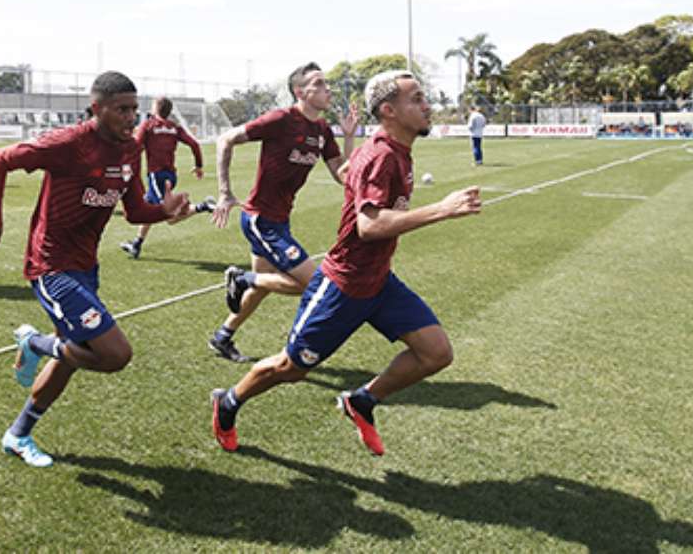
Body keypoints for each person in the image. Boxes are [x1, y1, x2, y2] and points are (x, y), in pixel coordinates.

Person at [210, 70, 481, 456]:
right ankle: (229, 401)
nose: (427, 105)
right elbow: (370, 226)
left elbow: (346, 174)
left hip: (379, 283)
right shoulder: (381, 155)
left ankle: (362, 401)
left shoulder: (396, 150)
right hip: (342, 286)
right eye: (416, 98)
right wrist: (442, 209)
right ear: (388, 110)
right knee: (290, 368)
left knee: (436, 353)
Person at [0, 71, 191, 468]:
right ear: (97, 109)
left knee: (72, 356)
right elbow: (0, 161)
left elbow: (135, 210)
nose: (130, 118)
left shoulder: (129, 151)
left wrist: (165, 211)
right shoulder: (71, 143)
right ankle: (35, 343)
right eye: (121, 110)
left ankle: (17, 434)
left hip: (86, 267)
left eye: (134, 110)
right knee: (113, 354)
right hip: (50, 266)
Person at [208, 62, 358, 362]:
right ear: (300, 92)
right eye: (319, 83)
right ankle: (242, 279)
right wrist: (225, 192)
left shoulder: (322, 130)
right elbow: (225, 139)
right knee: (312, 283)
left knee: (264, 285)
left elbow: (344, 176)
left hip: (280, 219)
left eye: (327, 83)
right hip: (261, 220)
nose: (327, 89)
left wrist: (349, 137)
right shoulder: (281, 119)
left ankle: (223, 336)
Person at [120, 96, 215, 259]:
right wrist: (198, 165)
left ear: (155, 108)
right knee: (146, 207)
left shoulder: (148, 125)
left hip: (157, 177)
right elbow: (194, 144)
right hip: (169, 175)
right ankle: (136, 244)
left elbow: (135, 147)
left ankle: (202, 206)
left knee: (167, 216)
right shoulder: (174, 127)